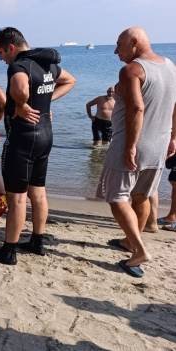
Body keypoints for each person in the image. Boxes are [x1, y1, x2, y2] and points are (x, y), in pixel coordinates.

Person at [0, 27, 76, 265]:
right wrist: (44, 100)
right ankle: (37, 240)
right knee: (38, 192)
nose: (1, 58)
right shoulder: (48, 63)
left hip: (23, 138)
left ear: (11, 47)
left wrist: (21, 104)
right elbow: (70, 80)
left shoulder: (19, 66)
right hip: (45, 135)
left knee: (18, 198)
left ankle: (9, 250)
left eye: (0, 52)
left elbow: (20, 88)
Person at [98, 27, 176, 277]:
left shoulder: (131, 70)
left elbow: (136, 109)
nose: (115, 51)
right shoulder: (169, 65)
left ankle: (139, 250)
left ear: (134, 43)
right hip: (159, 143)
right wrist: (174, 137)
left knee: (117, 197)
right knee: (142, 196)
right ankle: (130, 242)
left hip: (131, 143)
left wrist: (130, 145)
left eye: (119, 45)